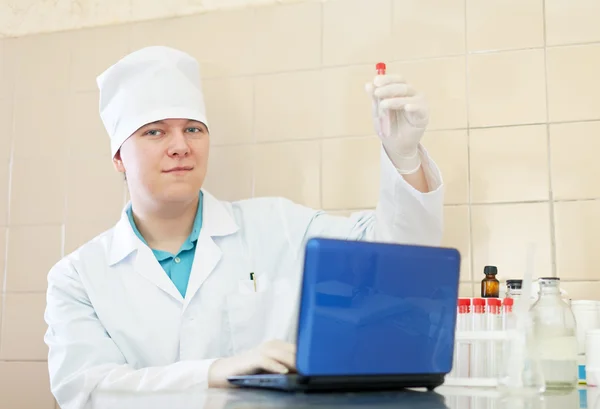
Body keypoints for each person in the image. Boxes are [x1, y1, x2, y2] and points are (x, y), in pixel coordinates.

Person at [44, 46, 444, 409]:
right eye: (155, 131)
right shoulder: (78, 278)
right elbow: (87, 391)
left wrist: (403, 157)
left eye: (193, 129)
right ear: (118, 158)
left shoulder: (279, 225)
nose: (180, 145)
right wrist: (217, 372)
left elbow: (398, 258)